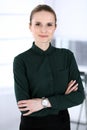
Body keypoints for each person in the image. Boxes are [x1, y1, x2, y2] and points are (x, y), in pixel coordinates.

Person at [13, 4, 85, 130]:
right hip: (32, 126)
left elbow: (79, 97)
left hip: (61, 124)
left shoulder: (67, 56)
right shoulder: (20, 61)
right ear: (30, 26)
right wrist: (62, 99)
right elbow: (25, 108)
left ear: (55, 27)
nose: (43, 30)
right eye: (38, 24)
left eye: (49, 24)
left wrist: (42, 103)